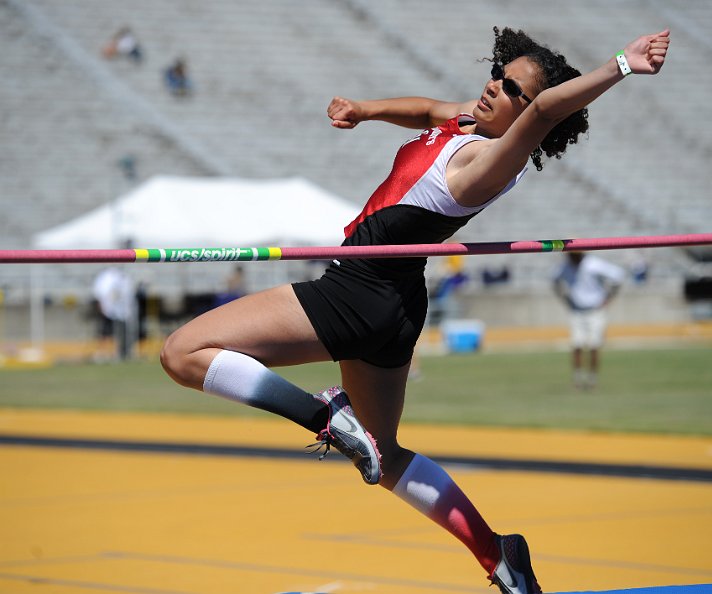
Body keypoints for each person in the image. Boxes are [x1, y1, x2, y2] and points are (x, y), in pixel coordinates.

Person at [160, 26, 670, 594]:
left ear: (527, 114)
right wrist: (366, 109)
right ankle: (499, 554)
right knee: (383, 451)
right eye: (498, 75)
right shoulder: (467, 122)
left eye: (510, 90)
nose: (493, 87)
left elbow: (548, 108)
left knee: (180, 352)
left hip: (358, 288)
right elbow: (427, 109)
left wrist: (620, 66)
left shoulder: (492, 160)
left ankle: (324, 417)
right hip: (397, 305)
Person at [553, 251, 625, 389]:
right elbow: (554, 280)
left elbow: (618, 275)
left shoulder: (593, 264)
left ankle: (593, 379)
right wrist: (565, 299)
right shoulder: (565, 266)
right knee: (576, 345)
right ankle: (578, 379)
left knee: (594, 346)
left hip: (595, 310)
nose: (570, 257)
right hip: (577, 311)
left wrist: (609, 298)